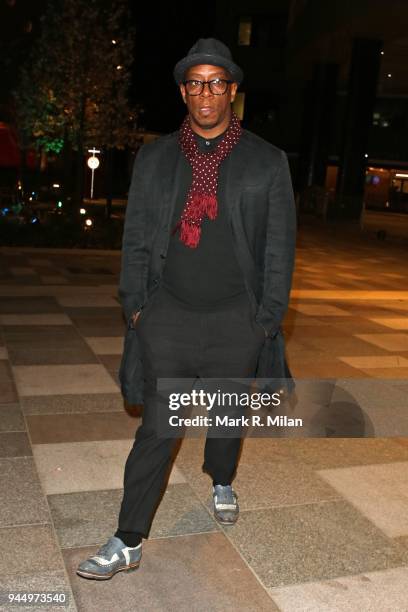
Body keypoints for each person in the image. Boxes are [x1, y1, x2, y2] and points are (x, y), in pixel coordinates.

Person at [77, 37, 296, 580]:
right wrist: (136, 310)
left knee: (226, 416)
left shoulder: (265, 162)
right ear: (183, 91)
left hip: (235, 318)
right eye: (196, 83)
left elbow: (279, 247)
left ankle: (221, 476)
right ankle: (127, 538)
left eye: (216, 83)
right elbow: (134, 240)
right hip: (168, 314)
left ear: (232, 91)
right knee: (157, 426)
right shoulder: (155, 158)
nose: (206, 93)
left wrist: (265, 320)